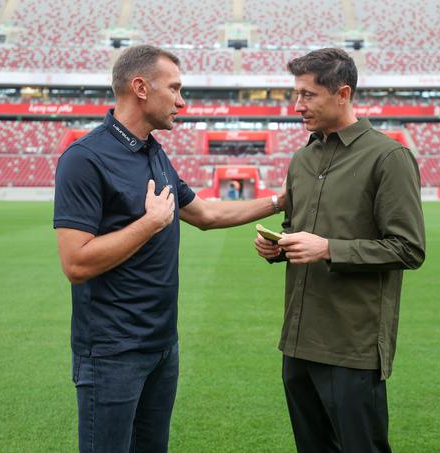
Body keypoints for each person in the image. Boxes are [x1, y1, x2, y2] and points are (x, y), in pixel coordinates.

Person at [53, 44, 285, 453]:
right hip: (112, 353)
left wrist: (278, 202)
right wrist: (150, 224)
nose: (182, 101)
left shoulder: (155, 154)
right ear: (141, 87)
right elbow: (75, 263)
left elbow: (208, 215)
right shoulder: (84, 158)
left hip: (163, 346)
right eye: (175, 89)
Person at [254, 48, 426, 453]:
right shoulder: (301, 159)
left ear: (343, 93)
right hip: (297, 339)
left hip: (352, 343)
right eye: (295, 95)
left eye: (308, 95)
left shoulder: (389, 156)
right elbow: (296, 232)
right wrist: (277, 247)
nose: (297, 106)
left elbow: (408, 248)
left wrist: (329, 248)